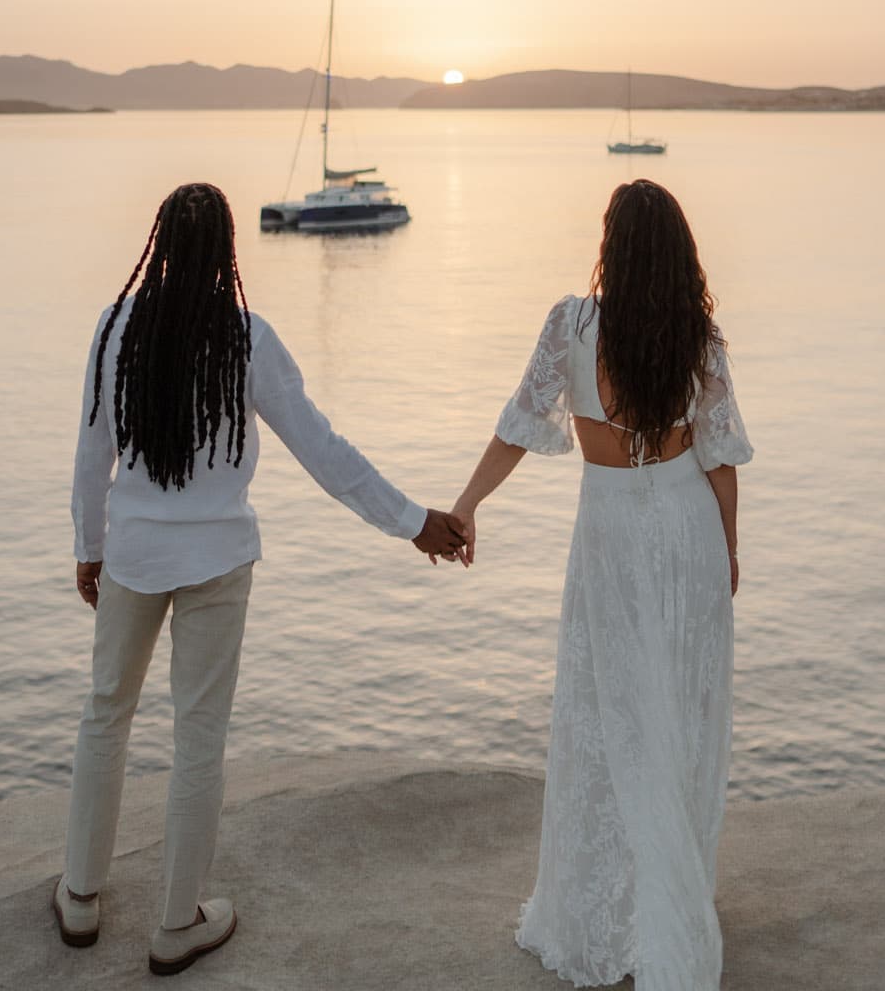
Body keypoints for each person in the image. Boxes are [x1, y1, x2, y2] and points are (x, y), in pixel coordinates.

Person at [58, 180, 464, 973]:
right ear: (226, 254)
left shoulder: (116, 330)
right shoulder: (248, 337)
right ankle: (177, 924)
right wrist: (412, 522)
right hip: (217, 563)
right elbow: (323, 450)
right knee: (197, 739)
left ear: (161, 246)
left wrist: (89, 543)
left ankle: (79, 897)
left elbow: (89, 453)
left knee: (106, 713)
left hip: (135, 557)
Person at [450, 177, 752, 991]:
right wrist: (727, 548)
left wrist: (465, 505)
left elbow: (518, 425)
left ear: (612, 248)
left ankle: (613, 907)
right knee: (681, 711)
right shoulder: (699, 337)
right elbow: (719, 457)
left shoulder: (572, 324)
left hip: (613, 533)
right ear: (679, 254)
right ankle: (674, 894)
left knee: (606, 709)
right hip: (685, 524)